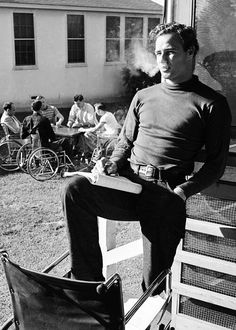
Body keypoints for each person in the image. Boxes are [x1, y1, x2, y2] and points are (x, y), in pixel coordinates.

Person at [62, 22, 231, 295]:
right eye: (158, 53)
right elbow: (125, 142)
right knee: (75, 191)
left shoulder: (211, 104)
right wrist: (113, 163)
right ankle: (88, 285)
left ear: (191, 52)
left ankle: (154, 298)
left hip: (165, 194)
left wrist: (182, 192)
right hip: (128, 183)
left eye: (170, 52)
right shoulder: (143, 96)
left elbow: (216, 164)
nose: (162, 60)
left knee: (153, 286)